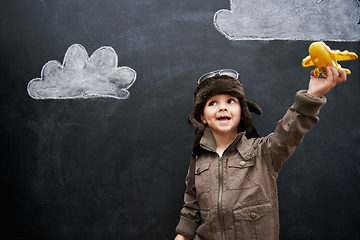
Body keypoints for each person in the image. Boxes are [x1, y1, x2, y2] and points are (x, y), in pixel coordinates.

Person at [174, 66, 346, 240]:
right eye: (212, 103)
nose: (222, 108)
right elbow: (191, 211)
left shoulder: (263, 153)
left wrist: (312, 95)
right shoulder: (198, 162)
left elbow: (289, 131)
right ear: (203, 117)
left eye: (230, 101)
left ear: (242, 112)